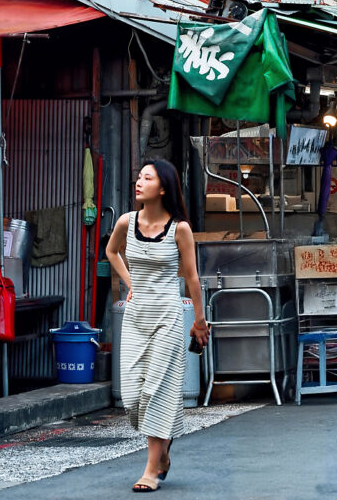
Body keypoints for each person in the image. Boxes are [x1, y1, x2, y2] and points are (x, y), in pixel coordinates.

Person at [104, 159, 209, 493]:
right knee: (133, 394)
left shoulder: (179, 228)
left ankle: (151, 468)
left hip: (167, 317)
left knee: (157, 391)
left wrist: (199, 320)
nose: (138, 182)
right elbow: (111, 252)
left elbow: (192, 277)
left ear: (162, 187)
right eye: (138, 177)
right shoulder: (125, 221)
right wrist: (130, 282)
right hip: (136, 318)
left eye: (146, 178)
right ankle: (163, 454)